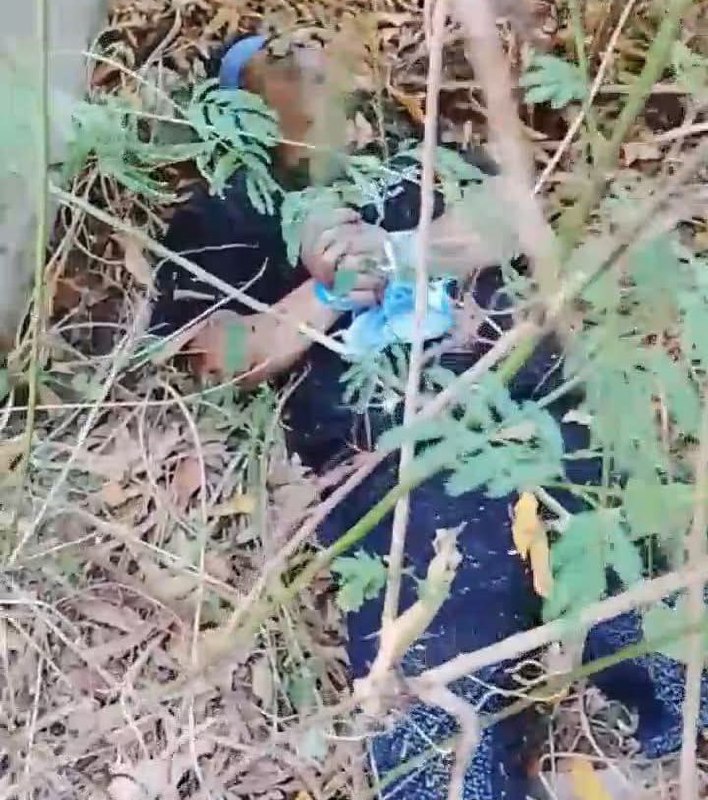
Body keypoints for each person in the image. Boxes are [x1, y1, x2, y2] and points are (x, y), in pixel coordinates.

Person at [151, 33, 707, 800]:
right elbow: (217, 353)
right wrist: (328, 291)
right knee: (441, 718)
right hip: (394, 448)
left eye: (315, 42)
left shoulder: (421, 160)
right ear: (238, 103)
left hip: (536, 404)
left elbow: (516, 216)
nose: (309, 53)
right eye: (277, 53)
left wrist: (395, 252)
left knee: (655, 603)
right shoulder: (234, 207)